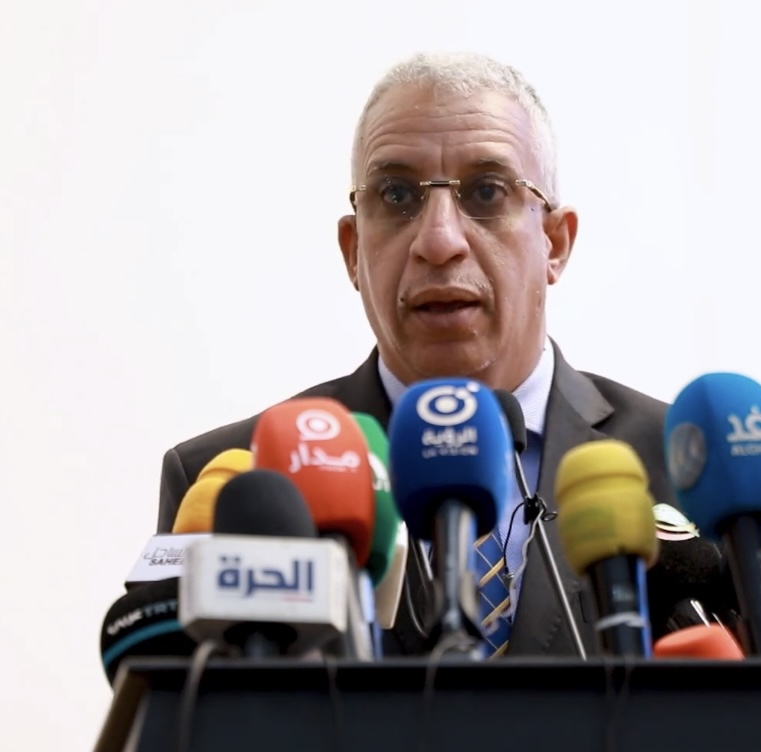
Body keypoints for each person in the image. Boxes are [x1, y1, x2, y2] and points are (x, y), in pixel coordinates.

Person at [155, 51, 682, 658]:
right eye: (397, 194)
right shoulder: (231, 485)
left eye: (487, 192)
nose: (439, 241)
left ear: (555, 243)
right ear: (353, 251)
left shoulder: (681, 466)